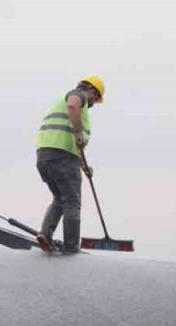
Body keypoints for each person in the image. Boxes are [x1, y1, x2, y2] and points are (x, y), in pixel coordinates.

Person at [36, 75, 105, 254]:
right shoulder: (79, 95)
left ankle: (45, 234)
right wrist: (79, 132)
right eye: (95, 99)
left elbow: (74, 142)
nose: (93, 103)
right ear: (92, 91)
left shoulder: (62, 103)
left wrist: (84, 166)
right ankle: (71, 247)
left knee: (60, 198)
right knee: (72, 202)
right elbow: (73, 105)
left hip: (45, 156)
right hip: (63, 158)